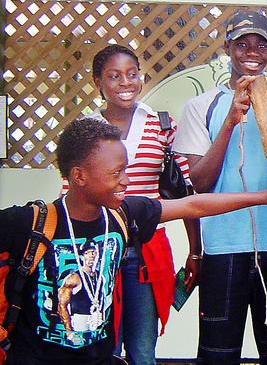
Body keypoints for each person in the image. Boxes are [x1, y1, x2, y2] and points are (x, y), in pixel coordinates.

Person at [0, 118, 267, 365]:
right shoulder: (31, 222)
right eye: (116, 173)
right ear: (79, 176)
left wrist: (265, 196)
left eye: (126, 170)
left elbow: (193, 205)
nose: (126, 181)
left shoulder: (124, 215)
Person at [173, 10, 267, 364]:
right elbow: (200, 182)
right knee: (218, 352)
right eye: (242, 43)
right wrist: (230, 120)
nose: (252, 51)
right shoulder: (202, 106)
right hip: (222, 247)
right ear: (227, 47)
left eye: (261, 44)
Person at [72, 44, 201, 365]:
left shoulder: (161, 124)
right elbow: (71, 195)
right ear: (97, 82)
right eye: (114, 76)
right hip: (96, 252)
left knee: (143, 351)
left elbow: (185, 189)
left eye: (132, 74)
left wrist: (195, 249)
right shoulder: (84, 130)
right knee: (103, 348)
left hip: (146, 250)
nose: (126, 83)